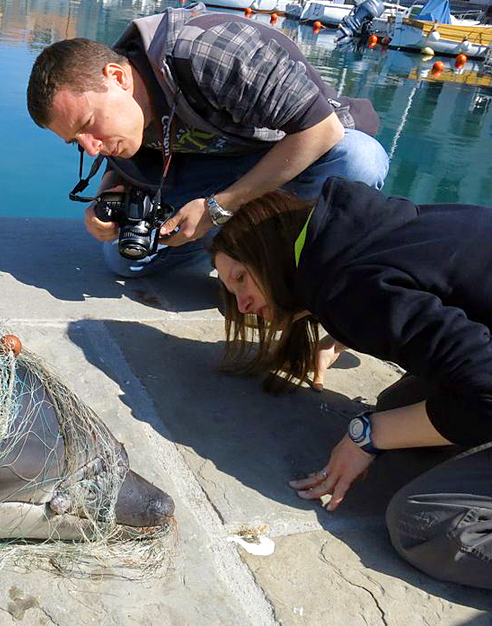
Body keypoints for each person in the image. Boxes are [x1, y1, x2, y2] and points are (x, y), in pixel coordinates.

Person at [208, 177, 492, 589]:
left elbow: (487, 390)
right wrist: (342, 331)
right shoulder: (348, 230)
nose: (243, 304)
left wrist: (369, 434)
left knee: (426, 525)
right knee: (403, 405)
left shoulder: (348, 289)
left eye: (241, 279)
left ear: (269, 254)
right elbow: (410, 271)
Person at [26, 5, 390, 277]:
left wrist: (218, 208)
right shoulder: (124, 107)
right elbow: (122, 161)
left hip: (291, 157)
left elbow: (321, 130)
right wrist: (109, 199)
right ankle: (232, 249)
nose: (91, 146)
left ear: (118, 77)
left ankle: (297, 266)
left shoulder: (209, 51)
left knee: (360, 160)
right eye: (77, 141)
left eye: (88, 124)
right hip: (208, 172)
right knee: (126, 260)